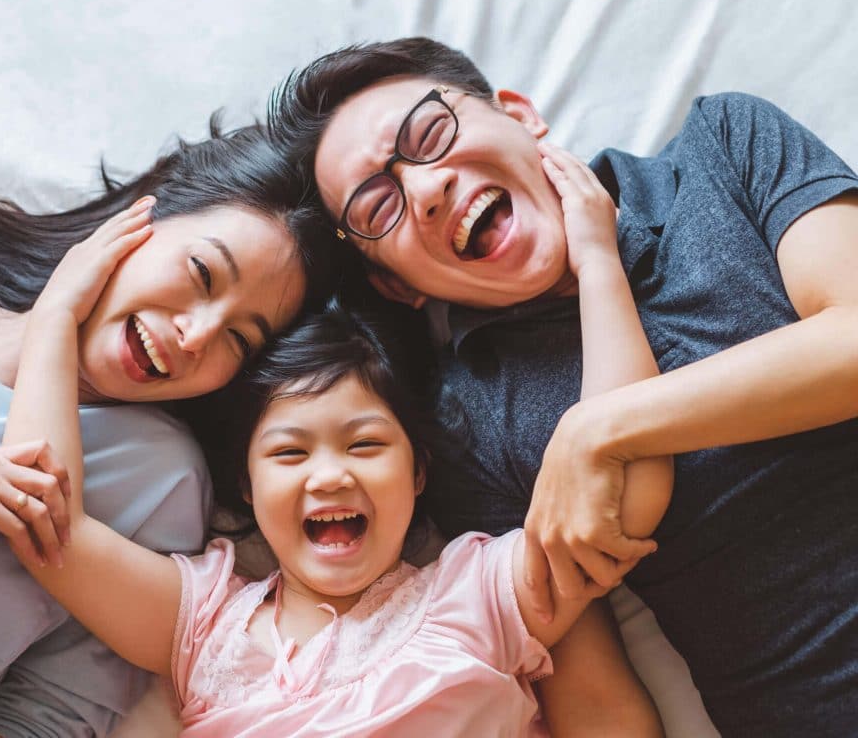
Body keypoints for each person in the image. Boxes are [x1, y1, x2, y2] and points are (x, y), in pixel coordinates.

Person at [267, 36, 858, 737]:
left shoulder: (724, 144)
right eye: (377, 207)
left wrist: (598, 431)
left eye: (429, 134)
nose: (426, 191)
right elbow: (598, 699)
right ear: (396, 285)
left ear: (520, 114)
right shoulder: (469, 428)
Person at [0, 149, 668, 737]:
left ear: (418, 473)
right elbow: (47, 522)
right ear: (246, 489)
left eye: (365, 446)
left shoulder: (480, 594)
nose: (329, 477)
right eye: (290, 454)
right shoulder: (204, 625)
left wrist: (598, 264)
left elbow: (623, 482)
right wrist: (55, 318)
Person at [0, 124, 334, 737]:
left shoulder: (158, 479)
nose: (197, 335)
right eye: (203, 273)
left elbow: (50, 715)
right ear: (136, 221)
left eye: (239, 338)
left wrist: (56, 324)